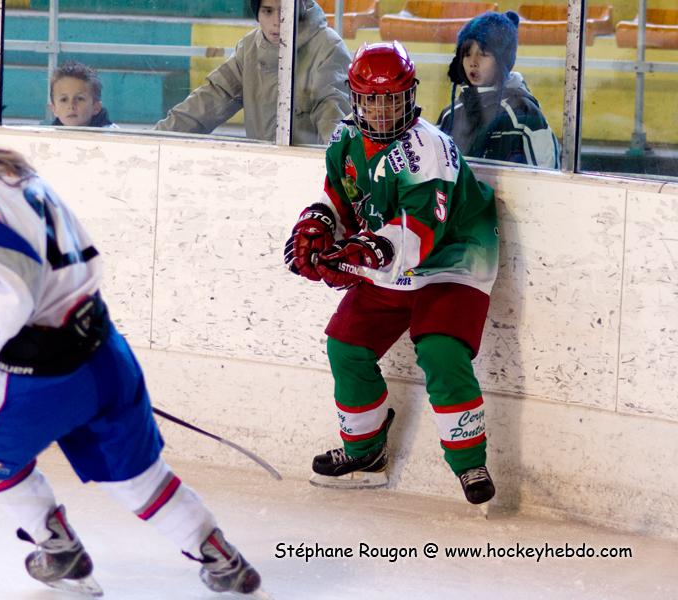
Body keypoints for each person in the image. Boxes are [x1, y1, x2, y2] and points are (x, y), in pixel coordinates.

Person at [0, 84, 260, 596]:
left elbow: (10, 296)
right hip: (103, 350)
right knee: (137, 477)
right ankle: (222, 559)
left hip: (44, 371)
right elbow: (22, 274)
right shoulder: (10, 169)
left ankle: (58, 549)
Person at [284, 42, 499, 505]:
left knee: (441, 350)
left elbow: (420, 231)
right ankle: (365, 451)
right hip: (391, 253)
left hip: (454, 256)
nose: (382, 111)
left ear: (410, 95)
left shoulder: (429, 148)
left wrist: (361, 253)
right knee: (346, 345)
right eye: (371, 100)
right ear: (355, 98)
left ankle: (470, 462)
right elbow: (341, 199)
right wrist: (318, 223)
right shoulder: (344, 140)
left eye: (392, 99)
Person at [153, 0, 350, 145]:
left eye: (284, 11)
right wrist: (154, 139)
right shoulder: (249, 49)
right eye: (267, 11)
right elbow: (209, 100)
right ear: (257, 13)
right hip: (261, 167)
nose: (277, 21)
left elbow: (334, 124)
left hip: (311, 174)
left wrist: (333, 173)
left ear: (301, 7)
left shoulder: (329, 48)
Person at [436, 10, 560, 168]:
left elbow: (547, 172)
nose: (473, 62)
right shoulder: (450, 114)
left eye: (483, 54)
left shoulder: (523, 114)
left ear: (503, 59)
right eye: (467, 54)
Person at [49, 61, 117, 128]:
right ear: (54, 109)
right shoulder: (48, 133)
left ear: (96, 107)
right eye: (64, 100)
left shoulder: (111, 133)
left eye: (80, 99)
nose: (71, 106)